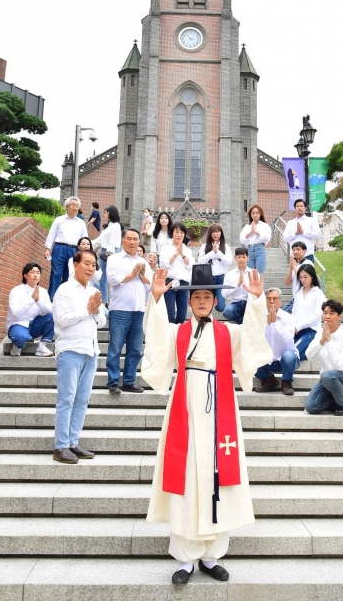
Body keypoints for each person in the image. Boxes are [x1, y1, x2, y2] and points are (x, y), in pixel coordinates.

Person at [141, 265, 272, 585]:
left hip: (220, 410)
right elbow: (156, 336)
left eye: (207, 297)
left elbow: (253, 337)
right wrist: (155, 299)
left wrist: (256, 303)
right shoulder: (177, 332)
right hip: (185, 407)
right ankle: (185, 559)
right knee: (187, 479)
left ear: (215, 301)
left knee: (218, 480)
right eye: (196, 296)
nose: (201, 301)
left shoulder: (229, 333)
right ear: (189, 302)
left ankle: (212, 556)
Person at [52, 248, 106, 463]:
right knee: (67, 399)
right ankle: (61, 446)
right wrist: (87, 310)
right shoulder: (64, 290)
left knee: (82, 399)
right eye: (87, 263)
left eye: (94, 264)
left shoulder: (93, 291)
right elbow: (62, 319)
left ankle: (73, 442)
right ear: (75, 265)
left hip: (91, 351)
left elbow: (101, 322)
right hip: (70, 350)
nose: (91, 268)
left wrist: (96, 310)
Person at [105, 228, 151, 394]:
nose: (132, 242)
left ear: (139, 242)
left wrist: (143, 276)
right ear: (122, 241)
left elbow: (150, 286)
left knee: (136, 349)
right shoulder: (114, 259)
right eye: (129, 239)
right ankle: (113, 382)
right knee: (115, 348)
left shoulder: (144, 262)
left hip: (139, 310)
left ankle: (129, 381)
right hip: (120, 310)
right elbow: (111, 280)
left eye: (135, 239)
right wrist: (132, 274)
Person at [305, 299, 343, 416]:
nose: (327, 316)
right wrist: (322, 341)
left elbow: (339, 366)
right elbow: (309, 356)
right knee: (311, 407)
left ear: (339, 316)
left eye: (331, 313)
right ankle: (341, 397)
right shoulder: (320, 333)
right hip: (328, 380)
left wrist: (329, 341)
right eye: (325, 313)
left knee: (327, 375)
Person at [254, 287, 300, 395]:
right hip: (267, 359)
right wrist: (267, 322)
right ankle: (269, 380)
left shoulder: (289, 318)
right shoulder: (259, 317)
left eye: (275, 298)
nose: (272, 301)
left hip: (285, 360)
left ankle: (286, 382)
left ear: (280, 301)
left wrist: (275, 322)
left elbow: (288, 338)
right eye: (268, 299)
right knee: (247, 357)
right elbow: (255, 338)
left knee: (288, 356)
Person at [6, 263, 54, 357]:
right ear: (25, 275)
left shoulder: (43, 291)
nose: (36, 275)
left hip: (35, 325)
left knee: (53, 316)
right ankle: (17, 346)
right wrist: (31, 300)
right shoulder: (16, 291)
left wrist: (38, 301)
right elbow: (16, 313)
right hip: (18, 324)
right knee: (20, 338)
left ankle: (42, 346)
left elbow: (48, 311)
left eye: (38, 272)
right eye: (32, 272)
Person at [45, 197, 88, 299]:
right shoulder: (59, 220)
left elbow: (85, 239)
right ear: (67, 206)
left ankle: (63, 298)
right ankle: (52, 298)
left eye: (77, 206)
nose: (75, 208)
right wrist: (48, 248)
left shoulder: (81, 223)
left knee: (69, 275)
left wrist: (85, 252)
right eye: (73, 205)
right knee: (56, 273)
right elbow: (52, 234)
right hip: (59, 248)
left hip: (74, 250)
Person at [160, 221, 192, 323]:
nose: (179, 235)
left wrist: (182, 253)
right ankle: (170, 332)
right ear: (172, 233)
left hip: (183, 283)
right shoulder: (166, 248)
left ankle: (177, 331)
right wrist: (175, 253)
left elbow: (190, 265)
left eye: (182, 233)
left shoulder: (187, 250)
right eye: (177, 232)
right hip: (169, 282)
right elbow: (164, 264)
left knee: (182, 316)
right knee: (170, 315)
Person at [292, 263, 326, 360]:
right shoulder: (298, 293)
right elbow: (294, 312)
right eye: (300, 277)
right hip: (296, 331)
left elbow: (317, 316)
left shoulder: (318, 294)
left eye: (305, 277)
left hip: (311, 331)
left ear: (312, 276)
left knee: (293, 354)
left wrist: (299, 326)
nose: (302, 280)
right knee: (285, 352)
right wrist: (293, 326)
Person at [197, 223, 233, 312]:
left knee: (220, 307)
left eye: (217, 232)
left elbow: (229, 262)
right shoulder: (204, 246)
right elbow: (200, 261)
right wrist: (212, 253)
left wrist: (218, 253)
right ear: (210, 233)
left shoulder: (226, 247)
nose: (215, 234)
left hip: (221, 279)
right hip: (207, 279)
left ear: (221, 233)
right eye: (213, 232)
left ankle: (217, 301)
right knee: (206, 306)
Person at [93, 205, 122, 306]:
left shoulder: (116, 225)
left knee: (112, 278)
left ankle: (112, 301)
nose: (104, 215)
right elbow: (100, 240)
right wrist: (88, 243)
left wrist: (108, 253)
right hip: (104, 252)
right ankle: (104, 301)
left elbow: (113, 241)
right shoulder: (108, 226)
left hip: (110, 253)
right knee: (102, 278)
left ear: (110, 213)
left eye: (105, 213)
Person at [239, 204, 272, 275]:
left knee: (259, 275)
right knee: (249, 275)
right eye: (253, 213)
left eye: (257, 213)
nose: (255, 215)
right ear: (250, 214)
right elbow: (242, 239)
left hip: (260, 250)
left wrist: (256, 231)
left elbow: (267, 238)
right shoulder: (247, 226)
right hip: (249, 251)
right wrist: (251, 232)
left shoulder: (265, 225)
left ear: (260, 214)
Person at [222, 247, 252, 324]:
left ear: (248, 258)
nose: (241, 260)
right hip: (236, 304)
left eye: (244, 257)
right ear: (235, 258)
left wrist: (245, 285)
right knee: (227, 311)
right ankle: (244, 324)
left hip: (249, 303)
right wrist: (237, 285)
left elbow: (258, 293)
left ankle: (242, 324)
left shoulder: (253, 273)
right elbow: (224, 294)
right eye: (239, 257)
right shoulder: (229, 275)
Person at [282, 240, 308, 312]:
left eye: (298, 249)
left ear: (304, 251)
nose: (295, 252)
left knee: (284, 315)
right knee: (281, 314)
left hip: (303, 298)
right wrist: (291, 268)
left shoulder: (308, 263)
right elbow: (287, 283)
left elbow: (304, 279)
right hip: (295, 298)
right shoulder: (295, 265)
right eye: (293, 250)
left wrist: (294, 266)